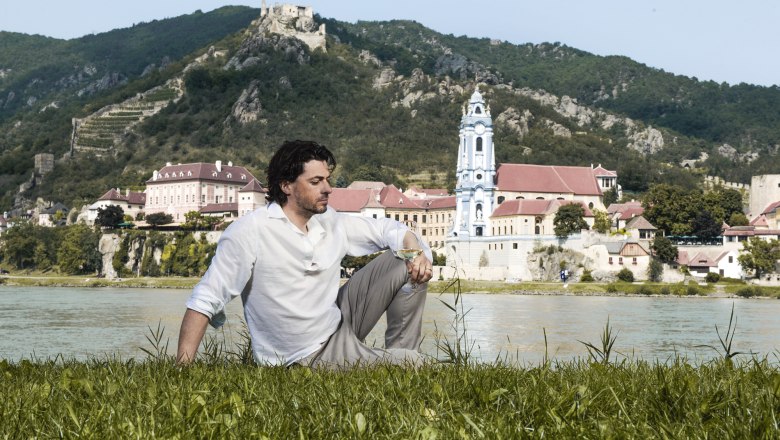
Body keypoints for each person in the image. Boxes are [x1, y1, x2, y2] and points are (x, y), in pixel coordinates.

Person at [176, 140, 433, 369]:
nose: (328, 189)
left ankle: (402, 352)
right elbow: (204, 299)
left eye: (327, 179)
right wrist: (182, 369)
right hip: (305, 356)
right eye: (315, 182)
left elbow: (390, 229)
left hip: (337, 322)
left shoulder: (329, 220)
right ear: (286, 185)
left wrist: (415, 251)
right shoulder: (251, 230)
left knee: (410, 257)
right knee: (415, 365)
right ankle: (406, 362)